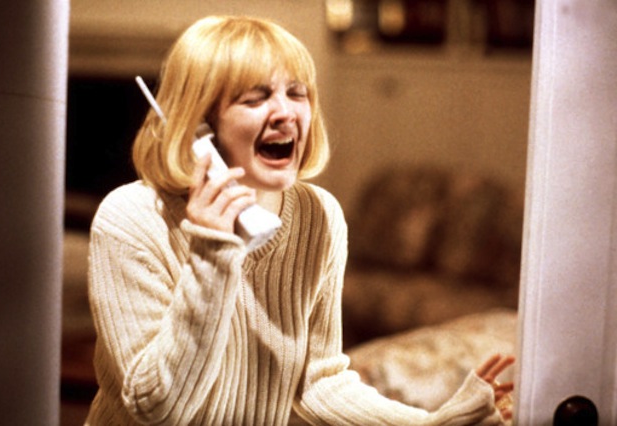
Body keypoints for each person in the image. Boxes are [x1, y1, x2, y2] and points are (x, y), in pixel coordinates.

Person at [85, 15, 514, 425]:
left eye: (297, 93)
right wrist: (212, 255)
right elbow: (162, 409)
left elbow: (318, 382)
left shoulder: (319, 216)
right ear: (200, 127)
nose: (286, 113)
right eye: (255, 99)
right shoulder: (130, 219)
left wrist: (431, 422)